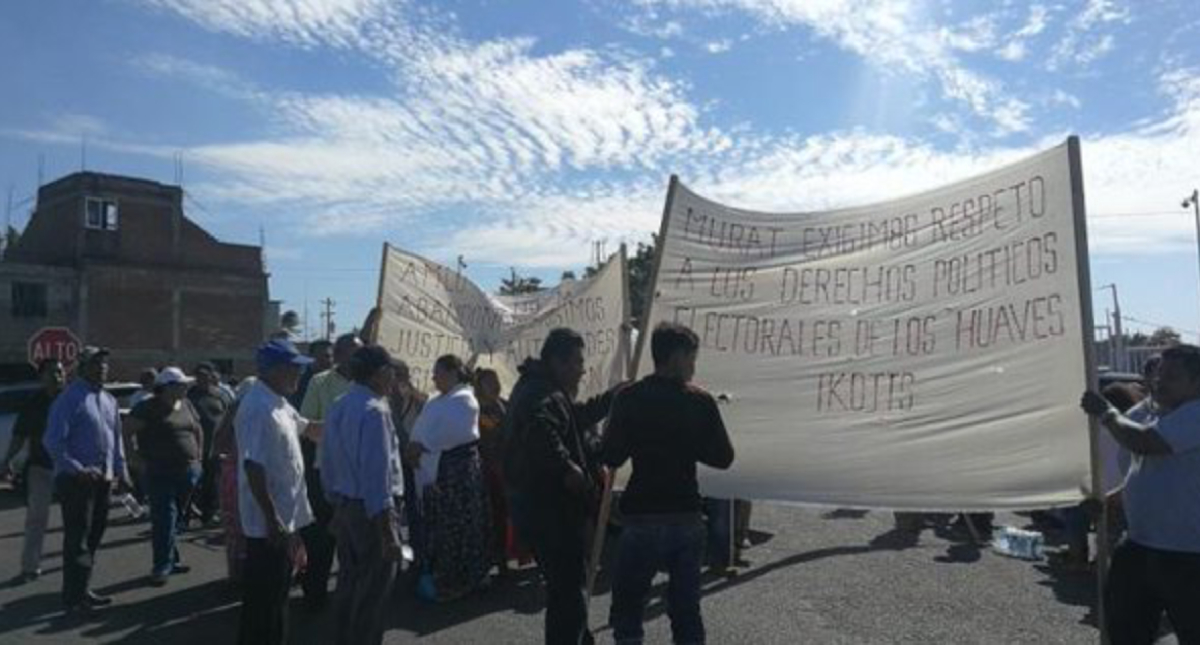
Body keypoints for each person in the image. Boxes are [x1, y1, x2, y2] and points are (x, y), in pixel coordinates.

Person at [602, 323, 735, 644]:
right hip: (685, 516)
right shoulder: (699, 401)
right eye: (691, 357)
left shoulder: (629, 397)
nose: (693, 366)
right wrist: (691, 438)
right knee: (686, 611)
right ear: (676, 357)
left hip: (642, 517)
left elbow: (612, 456)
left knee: (628, 612)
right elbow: (723, 457)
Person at [503, 328, 623, 644]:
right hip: (551, 512)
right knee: (567, 591)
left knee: (566, 591)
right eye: (577, 362)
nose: (583, 370)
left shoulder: (543, 388)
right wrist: (572, 471)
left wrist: (611, 399)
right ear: (557, 362)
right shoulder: (539, 394)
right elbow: (543, 431)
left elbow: (571, 418)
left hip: (546, 509)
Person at [1081, 344, 1200, 644]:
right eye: (1158, 374)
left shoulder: (1196, 414)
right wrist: (1108, 500)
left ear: (1197, 383)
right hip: (1139, 545)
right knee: (1125, 631)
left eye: (1171, 376)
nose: (1159, 381)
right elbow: (1143, 471)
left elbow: (1145, 443)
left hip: (1188, 556)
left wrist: (1107, 413)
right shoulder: (1150, 409)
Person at [235, 340, 319, 645]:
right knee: (265, 603)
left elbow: (309, 428)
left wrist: (348, 422)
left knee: (276, 598)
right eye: (293, 367)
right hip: (268, 525)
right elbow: (253, 467)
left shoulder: (279, 402)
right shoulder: (258, 407)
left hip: (285, 518)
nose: (299, 373)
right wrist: (273, 520)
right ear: (274, 370)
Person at [321, 345, 405, 645]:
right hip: (373, 513)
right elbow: (377, 476)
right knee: (373, 593)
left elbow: (327, 463)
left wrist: (335, 505)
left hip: (346, 505)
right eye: (391, 371)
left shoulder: (340, 404)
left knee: (349, 583)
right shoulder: (375, 410)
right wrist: (388, 533)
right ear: (381, 373)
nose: (394, 377)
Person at [42, 347, 130, 617]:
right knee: (77, 540)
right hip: (76, 482)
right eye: (96, 363)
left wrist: (121, 471)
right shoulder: (69, 398)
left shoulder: (108, 400)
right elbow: (53, 441)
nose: (102, 367)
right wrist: (77, 469)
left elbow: (117, 440)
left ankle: (83, 589)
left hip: (102, 480)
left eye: (105, 363)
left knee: (93, 537)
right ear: (81, 367)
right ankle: (72, 598)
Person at [407, 354, 490, 602]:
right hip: (436, 471)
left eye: (438, 372)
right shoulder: (437, 399)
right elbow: (423, 426)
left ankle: (466, 579)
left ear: (453, 373)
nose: (433, 377)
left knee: (461, 525)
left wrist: (421, 446)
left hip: (457, 472)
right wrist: (415, 445)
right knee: (442, 526)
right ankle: (447, 576)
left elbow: (454, 432)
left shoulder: (464, 399)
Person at [298, 332, 362, 609]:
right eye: (352, 352)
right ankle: (314, 595)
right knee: (321, 539)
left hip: (361, 475)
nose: (357, 357)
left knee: (357, 540)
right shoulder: (319, 382)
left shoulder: (369, 383)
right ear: (338, 355)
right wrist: (340, 431)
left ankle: (354, 594)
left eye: (360, 352)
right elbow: (307, 425)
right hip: (327, 473)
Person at [126, 367, 204, 586]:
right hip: (159, 471)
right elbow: (126, 431)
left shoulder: (186, 404)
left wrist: (197, 458)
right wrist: (134, 459)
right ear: (167, 387)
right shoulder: (147, 407)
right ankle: (161, 566)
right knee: (165, 518)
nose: (186, 388)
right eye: (181, 385)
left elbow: (197, 429)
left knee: (176, 518)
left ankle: (172, 558)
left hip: (187, 471)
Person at [1, 358, 65, 583]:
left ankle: (76, 564)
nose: (57, 376)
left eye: (60, 372)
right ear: (42, 376)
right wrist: (7, 460)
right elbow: (20, 436)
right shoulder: (33, 404)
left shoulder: (72, 400)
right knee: (37, 518)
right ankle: (30, 566)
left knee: (77, 520)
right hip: (41, 466)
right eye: (51, 373)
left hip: (70, 469)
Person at [214, 377, 257, 586]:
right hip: (237, 477)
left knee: (245, 531)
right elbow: (219, 446)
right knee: (238, 530)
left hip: (244, 477)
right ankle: (237, 576)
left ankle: (242, 575)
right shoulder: (235, 417)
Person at [475, 368, 514, 574]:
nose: (494, 385)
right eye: (488, 382)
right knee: (495, 515)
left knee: (509, 513)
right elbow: (489, 433)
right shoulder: (478, 411)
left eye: (496, 380)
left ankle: (508, 553)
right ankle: (498, 558)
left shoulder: (504, 405)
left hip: (507, 466)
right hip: (489, 469)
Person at [389, 360, 427, 569]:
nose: (397, 381)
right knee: (393, 514)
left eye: (401, 376)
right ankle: (395, 559)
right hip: (392, 465)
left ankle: (418, 560)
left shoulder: (419, 399)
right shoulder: (382, 401)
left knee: (415, 513)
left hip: (413, 463)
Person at [189, 362, 229, 526]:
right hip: (196, 447)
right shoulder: (189, 395)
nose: (202, 379)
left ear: (211, 376)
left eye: (205, 375)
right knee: (195, 482)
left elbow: (228, 417)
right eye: (199, 376)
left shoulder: (220, 395)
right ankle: (189, 511)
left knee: (212, 482)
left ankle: (209, 513)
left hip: (216, 447)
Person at [291, 339, 333, 409]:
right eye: (319, 356)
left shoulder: (339, 380)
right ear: (310, 356)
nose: (325, 360)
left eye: (328, 356)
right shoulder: (299, 382)